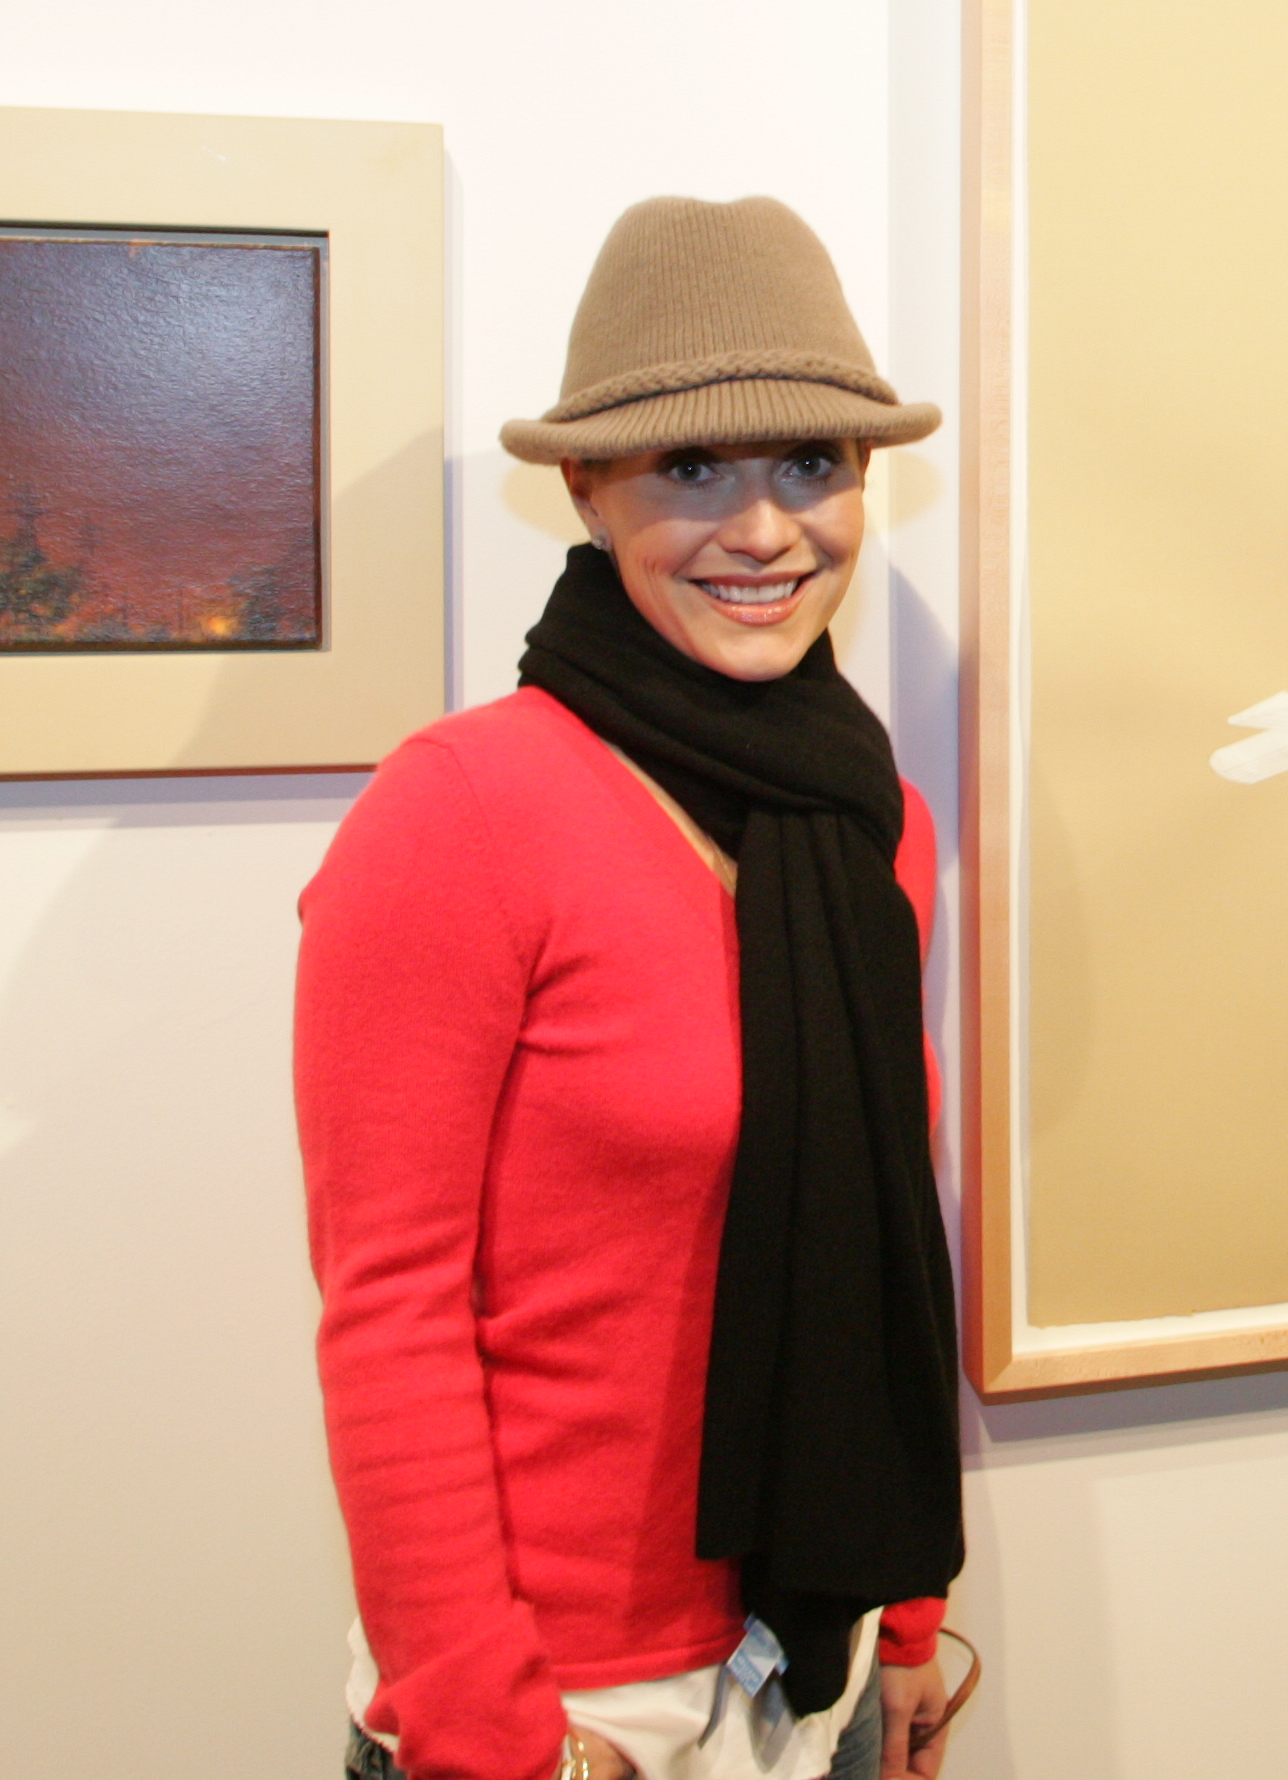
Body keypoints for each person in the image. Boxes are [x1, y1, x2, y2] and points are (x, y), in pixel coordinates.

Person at [296, 195, 963, 1780]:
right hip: (576, 1711)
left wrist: (909, 1622)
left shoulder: (873, 820)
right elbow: (389, 1309)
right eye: (693, 470)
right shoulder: (465, 811)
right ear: (587, 489)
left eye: (810, 465)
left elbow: (880, 1231)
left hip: (819, 1664)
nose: (766, 531)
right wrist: (492, 1738)